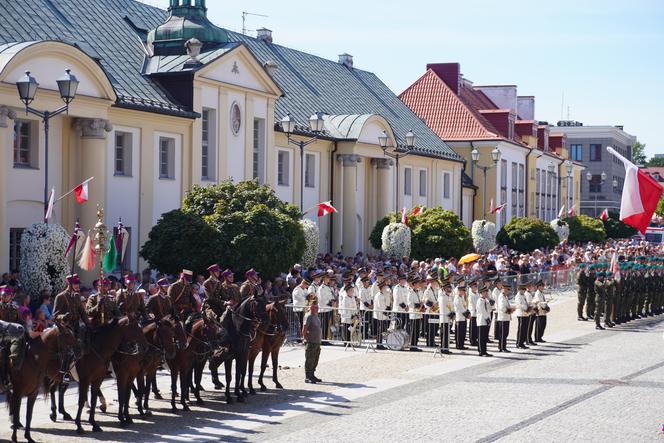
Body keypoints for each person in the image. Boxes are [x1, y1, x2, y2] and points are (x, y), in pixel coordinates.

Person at [0, 285, 25, 391]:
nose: (4, 297)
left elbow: (20, 322)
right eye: (3, 295)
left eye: (7, 295)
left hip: (13, 335)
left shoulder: (14, 308)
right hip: (1, 336)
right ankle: (3, 381)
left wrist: (28, 326)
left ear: (11, 296)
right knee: (2, 354)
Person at [302, 302, 322, 384]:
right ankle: (308, 376)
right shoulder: (309, 316)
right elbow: (304, 329)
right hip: (311, 341)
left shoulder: (316, 316)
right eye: (314, 307)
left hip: (317, 341)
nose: (316, 308)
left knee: (315, 359)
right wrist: (305, 338)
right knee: (309, 359)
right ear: (310, 307)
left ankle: (312, 374)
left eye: (317, 307)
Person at [316, 272, 336, 344]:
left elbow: (332, 297)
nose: (328, 279)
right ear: (324, 279)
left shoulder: (329, 287)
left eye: (329, 278)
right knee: (324, 325)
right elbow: (322, 299)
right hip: (323, 309)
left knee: (328, 325)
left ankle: (326, 339)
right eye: (327, 278)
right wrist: (331, 303)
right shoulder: (321, 288)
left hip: (329, 309)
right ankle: (322, 340)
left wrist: (333, 301)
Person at [407, 275, 424, 351]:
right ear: (414, 285)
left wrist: (422, 307)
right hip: (413, 314)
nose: (418, 285)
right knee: (414, 331)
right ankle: (412, 346)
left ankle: (415, 345)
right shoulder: (410, 292)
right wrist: (418, 305)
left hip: (418, 314)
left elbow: (421, 301)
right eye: (417, 284)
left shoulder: (419, 292)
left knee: (417, 331)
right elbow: (410, 304)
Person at [422, 272, 439, 348]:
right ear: (432, 283)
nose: (436, 284)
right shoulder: (427, 291)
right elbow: (425, 301)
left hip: (435, 311)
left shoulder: (435, 290)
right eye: (435, 282)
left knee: (434, 328)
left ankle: (432, 341)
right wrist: (433, 305)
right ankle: (429, 342)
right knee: (430, 328)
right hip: (430, 312)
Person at [373, 280, 390, 350]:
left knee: (382, 330)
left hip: (383, 315)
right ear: (381, 288)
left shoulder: (383, 294)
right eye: (384, 287)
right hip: (380, 315)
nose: (386, 288)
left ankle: (380, 344)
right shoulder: (379, 296)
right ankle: (378, 344)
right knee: (380, 331)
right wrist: (386, 312)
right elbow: (381, 307)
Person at [476, 283, 492, 357]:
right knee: (481, 337)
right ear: (481, 293)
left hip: (486, 320)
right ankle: (481, 351)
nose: (486, 293)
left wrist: (489, 299)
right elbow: (483, 311)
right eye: (485, 292)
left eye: (486, 292)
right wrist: (487, 319)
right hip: (482, 321)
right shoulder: (480, 301)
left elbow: (490, 308)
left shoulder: (486, 300)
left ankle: (485, 351)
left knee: (485, 337)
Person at [496, 283, 512, 353]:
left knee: (505, 333)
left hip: (506, 317)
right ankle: (502, 347)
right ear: (503, 289)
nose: (508, 291)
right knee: (503, 334)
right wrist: (508, 310)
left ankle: (502, 346)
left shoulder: (505, 296)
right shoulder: (501, 297)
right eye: (507, 289)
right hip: (503, 318)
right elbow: (502, 307)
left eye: (509, 290)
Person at [453, 280, 469, 350]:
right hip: (459, 318)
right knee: (459, 333)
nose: (464, 292)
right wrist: (467, 314)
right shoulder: (457, 298)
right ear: (459, 291)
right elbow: (461, 309)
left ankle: (462, 344)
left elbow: (465, 306)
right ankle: (459, 345)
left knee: (463, 332)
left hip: (463, 317)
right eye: (462, 291)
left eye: (464, 291)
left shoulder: (461, 298)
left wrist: (468, 313)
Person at [514, 283, 530, 349]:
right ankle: (519, 343)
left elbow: (526, 303)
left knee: (524, 329)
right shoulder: (518, 296)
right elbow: (520, 305)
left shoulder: (523, 295)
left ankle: (522, 342)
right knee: (521, 329)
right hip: (521, 314)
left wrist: (529, 307)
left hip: (525, 314)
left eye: (524, 289)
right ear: (519, 290)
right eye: (522, 289)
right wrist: (527, 308)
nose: (524, 291)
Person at [467, 279, 479, 347]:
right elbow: (474, 303)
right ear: (471, 287)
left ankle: (475, 339)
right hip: (473, 312)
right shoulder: (471, 295)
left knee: (476, 328)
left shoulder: (477, 293)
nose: (476, 288)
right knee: (472, 327)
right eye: (474, 286)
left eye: (476, 286)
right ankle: (472, 340)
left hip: (477, 312)